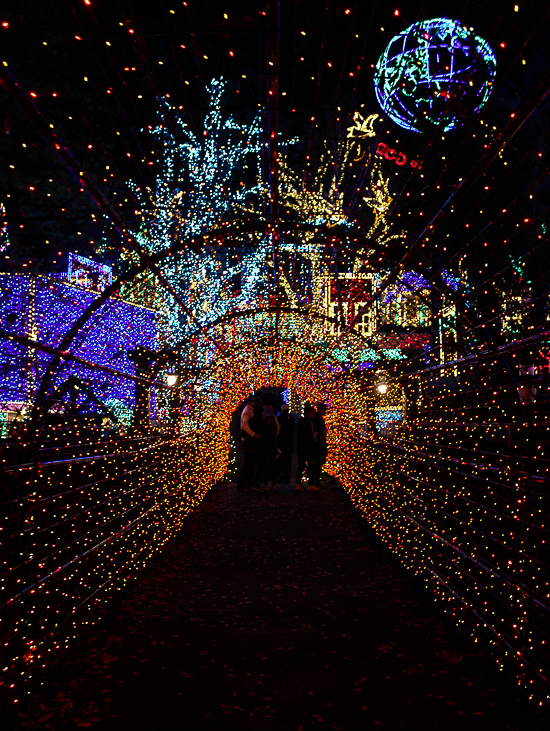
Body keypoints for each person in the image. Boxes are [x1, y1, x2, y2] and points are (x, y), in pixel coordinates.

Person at [237, 395, 260, 491]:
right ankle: (243, 484)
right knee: (249, 463)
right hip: (249, 439)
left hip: (249, 439)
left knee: (250, 463)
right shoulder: (248, 412)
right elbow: (245, 425)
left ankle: (246, 483)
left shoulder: (249, 410)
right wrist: (253, 434)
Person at [240, 404, 265, 492]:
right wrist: (255, 435)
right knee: (251, 465)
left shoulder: (251, 420)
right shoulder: (260, 421)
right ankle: (248, 484)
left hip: (248, 444)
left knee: (248, 464)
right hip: (254, 445)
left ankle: (244, 484)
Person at [296, 402, 319, 492]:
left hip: (302, 447)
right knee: (311, 465)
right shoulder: (307, 422)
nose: (313, 414)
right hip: (309, 446)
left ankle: (298, 484)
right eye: (312, 412)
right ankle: (310, 484)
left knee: (301, 465)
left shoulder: (301, 421)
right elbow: (308, 434)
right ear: (308, 412)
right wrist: (313, 437)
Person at [260, 412, 280, 491]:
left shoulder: (266, 429)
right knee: (273, 467)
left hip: (266, 449)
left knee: (266, 467)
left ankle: (265, 484)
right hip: (273, 449)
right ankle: (273, 484)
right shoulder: (275, 429)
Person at [311, 402, 328, 488]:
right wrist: (323, 445)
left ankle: (315, 480)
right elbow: (321, 433)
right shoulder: (319, 419)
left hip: (317, 444)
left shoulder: (316, 418)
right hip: (319, 444)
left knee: (317, 463)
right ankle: (316, 481)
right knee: (318, 463)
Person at [277, 404, 295, 485]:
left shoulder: (279, 419)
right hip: (289, 443)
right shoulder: (291, 420)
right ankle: (286, 478)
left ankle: (280, 475)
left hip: (280, 442)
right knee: (288, 460)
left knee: (280, 460)